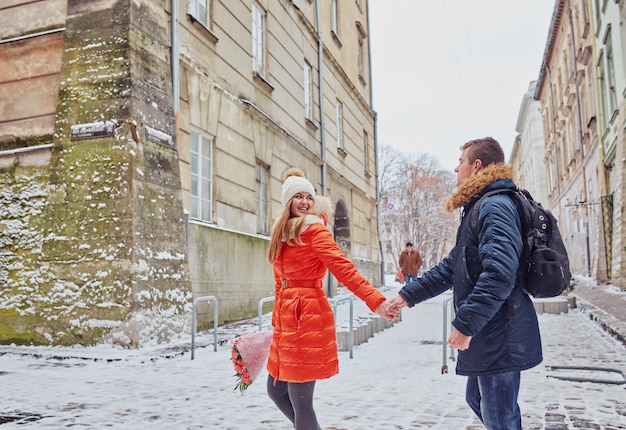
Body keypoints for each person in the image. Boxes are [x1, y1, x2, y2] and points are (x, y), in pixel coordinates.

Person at [389, 137, 542, 430]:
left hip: (499, 331)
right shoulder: (479, 207)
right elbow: (452, 267)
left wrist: (466, 325)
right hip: (490, 330)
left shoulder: (494, 206)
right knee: (478, 400)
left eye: (460, 162)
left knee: (500, 417)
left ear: (477, 166)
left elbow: (500, 273)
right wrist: (406, 296)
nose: (455, 169)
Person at [266, 167, 397, 430]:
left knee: (300, 400)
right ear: (287, 201)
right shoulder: (283, 232)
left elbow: (342, 268)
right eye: (298, 197)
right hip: (288, 319)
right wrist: (276, 320)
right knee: (276, 391)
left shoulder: (315, 231)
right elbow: (280, 281)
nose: (304, 202)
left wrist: (376, 301)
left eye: (308, 197)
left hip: (307, 315)